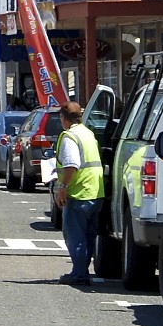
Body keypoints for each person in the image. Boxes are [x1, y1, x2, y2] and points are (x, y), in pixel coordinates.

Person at [53, 100, 104, 286]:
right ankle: (82, 271)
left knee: (75, 236)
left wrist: (62, 187)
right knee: (88, 236)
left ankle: (79, 274)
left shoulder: (70, 137)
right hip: (95, 192)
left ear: (63, 118)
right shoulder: (88, 133)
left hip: (78, 192)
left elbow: (72, 165)